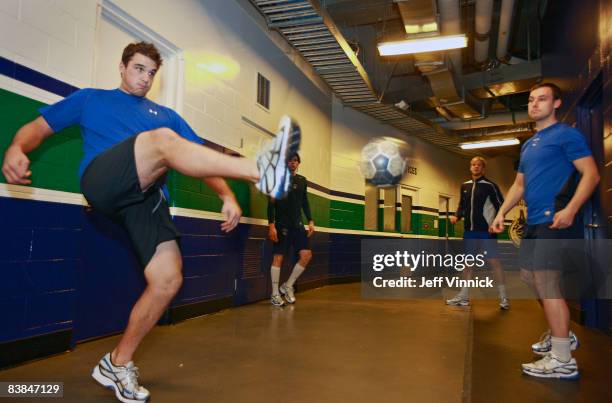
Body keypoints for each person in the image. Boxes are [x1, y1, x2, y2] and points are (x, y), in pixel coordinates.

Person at [1, 42, 300, 402]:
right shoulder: (91, 99)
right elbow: (37, 128)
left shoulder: (166, 116)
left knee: (168, 279)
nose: (145, 78)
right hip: (103, 181)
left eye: (151, 73)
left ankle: (117, 362)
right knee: (161, 142)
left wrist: (225, 195)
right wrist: (17, 149)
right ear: (123, 67)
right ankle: (259, 169)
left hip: (145, 201)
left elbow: (200, 159)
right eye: (139, 69)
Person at [490, 83, 599, 380]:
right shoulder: (529, 144)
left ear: (557, 104)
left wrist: (572, 209)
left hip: (556, 218)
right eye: (531, 100)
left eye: (542, 99)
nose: (535, 104)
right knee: (529, 277)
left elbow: (591, 173)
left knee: (547, 282)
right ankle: (560, 333)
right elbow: (519, 186)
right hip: (534, 222)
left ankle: (563, 359)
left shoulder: (566, 135)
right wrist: (502, 212)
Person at [446, 156, 509, 309]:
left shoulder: (490, 186)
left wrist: (496, 223)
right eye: (473, 165)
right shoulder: (464, 186)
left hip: (486, 231)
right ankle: (464, 296)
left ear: (483, 168)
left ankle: (503, 298)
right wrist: (457, 215)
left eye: (479, 165)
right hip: (470, 231)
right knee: (467, 264)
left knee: (494, 262)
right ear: (470, 167)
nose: (475, 167)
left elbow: (501, 206)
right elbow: (462, 205)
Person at [267, 153, 314, 306]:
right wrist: (271, 225)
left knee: (306, 255)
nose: (293, 163)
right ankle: (274, 294)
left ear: (298, 163)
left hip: (298, 225)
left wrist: (310, 221)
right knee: (278, 258)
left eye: (295, 161)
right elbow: (271, 204)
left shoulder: (302, 181)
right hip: (282, 226)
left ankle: (287, 286)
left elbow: (304, 202)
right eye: (290, 161)